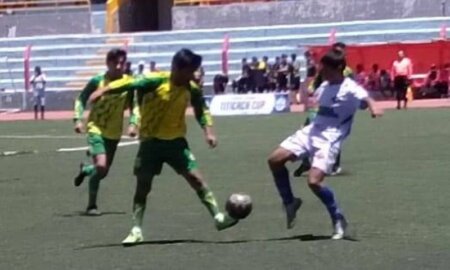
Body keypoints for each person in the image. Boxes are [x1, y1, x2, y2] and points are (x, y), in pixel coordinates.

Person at [89, 49, 239, 245]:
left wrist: (208, 131)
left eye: (195, 71)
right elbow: (130, 82)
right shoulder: (156, 81)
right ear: (177, 68)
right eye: (190, 71)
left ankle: (218, 218)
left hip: (176, 143)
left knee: (196, 178)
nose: (194, 75)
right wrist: (104, 90)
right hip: (150, 143)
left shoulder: (191, 88)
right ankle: (136, 229)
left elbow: (201, 109)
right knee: (143, 186)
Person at [267, 49, 383, 239]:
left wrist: (373, 106)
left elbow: (365, 98)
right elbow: (318, 108)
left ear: (338, 68)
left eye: (326, 68)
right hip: (311, 131)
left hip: (329, 139)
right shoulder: (324, 86)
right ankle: (290, 202)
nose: (322, 71)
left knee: (313, 182)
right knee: (274, 160)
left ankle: (338, 218)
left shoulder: (350, 87)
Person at [73, 48, 139, 216]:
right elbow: (81, 99)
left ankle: (86, 170)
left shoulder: (129, 83)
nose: (118, 66)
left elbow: (134, 106)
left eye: (122, 63)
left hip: (114, 133)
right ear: (107, 63)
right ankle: (91, 206)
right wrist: (78, 119)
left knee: (102, 171)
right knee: (101, 166)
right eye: (115, 63)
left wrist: (133, 123)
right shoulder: (98, 81)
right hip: (96, 128)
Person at [293, 42, 351, 178]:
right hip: (319, 107)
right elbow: (315, 85)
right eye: (336, 52)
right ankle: (309, 161)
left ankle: (331, 164)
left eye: (340, 53)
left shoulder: (347, 71)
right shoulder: (325, 69)